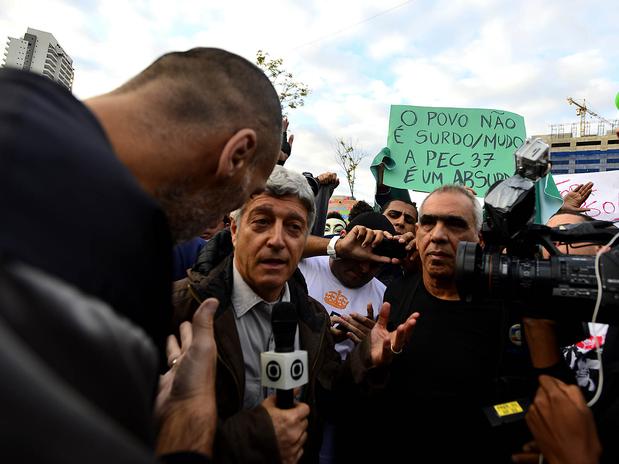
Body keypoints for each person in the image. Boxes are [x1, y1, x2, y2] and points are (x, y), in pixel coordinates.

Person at [0, 47, 283, 462]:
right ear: (236, 154)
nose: (224, 218)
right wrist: (187, 420)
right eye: (243, 196)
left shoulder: (17, 103)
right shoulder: (112, 258)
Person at [172, 166, 420, 463]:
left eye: (293, 227)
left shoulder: (310, 316)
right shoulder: (181, 308)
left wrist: (365, 359)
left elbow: (330, 396)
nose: (277, 240)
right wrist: (257, 435)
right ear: (235, 231)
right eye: (262, 222)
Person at [378, 184, 537, 463]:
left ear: (479, 239)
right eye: (428, 223)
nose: (438, 236)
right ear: (416, 234)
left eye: (454, 224)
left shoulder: (511, 307)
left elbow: (533, 396)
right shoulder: (396, 294)